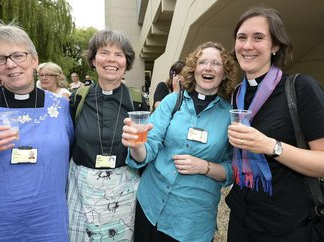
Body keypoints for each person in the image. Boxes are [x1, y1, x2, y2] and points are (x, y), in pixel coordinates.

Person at [225, 6, 324, 242]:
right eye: (242, 37)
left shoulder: (301, 88)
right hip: (241, 217)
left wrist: (271, 146)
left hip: (287, 226)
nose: (247, 46)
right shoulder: (237, 93)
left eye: (258, 37)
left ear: (275, 46)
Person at [122, 41, 237, 242]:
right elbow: (150, 147)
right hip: (151, 205)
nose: (208, 67)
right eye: (203, 62)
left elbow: (233, 169)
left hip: (192, 221)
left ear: (224, 72)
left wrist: (204, 167)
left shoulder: (229, 115)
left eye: (216, 63)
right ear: (194, 69)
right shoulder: (171, 102)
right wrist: (136, 145)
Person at [0, 21, 73, 241]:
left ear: (34, 60)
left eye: (18, 56)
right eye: (0, 59)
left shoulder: (61, 107)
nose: (10, 65)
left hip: (49, 221)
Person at [67, 29, 142, 242]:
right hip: (82, 188)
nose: (111, 59)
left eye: (119, 54)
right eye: (104, 52)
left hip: (122, 192)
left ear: (126, 62)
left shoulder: (138, 102)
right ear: (93, 59)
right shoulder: (77, 98)